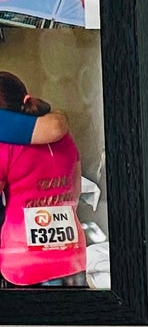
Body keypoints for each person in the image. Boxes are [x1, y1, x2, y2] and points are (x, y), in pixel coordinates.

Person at [0, 69, 85, 284]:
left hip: (23, 264)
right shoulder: (64, 138)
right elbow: (76, 190)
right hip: (72, 257)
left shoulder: (4, 147)